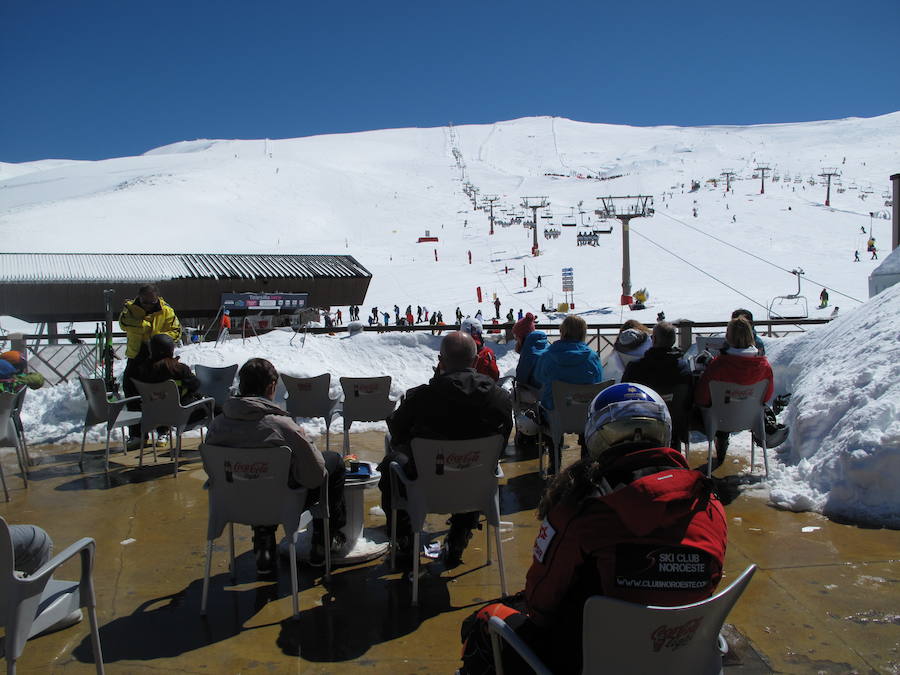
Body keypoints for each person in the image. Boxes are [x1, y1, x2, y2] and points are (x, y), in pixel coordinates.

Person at [459, 383, 727, 674]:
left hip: (594, 659)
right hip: (680, 652)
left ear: (596, 438)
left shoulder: (581, 512)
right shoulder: (709, 505)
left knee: (481, 624)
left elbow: (540, 606)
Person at [378, 331, 512, 568]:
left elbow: (397, 432)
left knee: (392, 463)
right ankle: (460, 535)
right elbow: (501, 442)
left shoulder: (421, 398)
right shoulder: (500, 398)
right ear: (475, 360)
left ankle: (405, 540)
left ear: (441, 361)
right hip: (475, 486)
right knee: (475, 464)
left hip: (427, 488)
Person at [206, 358, 347, 574]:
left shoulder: (217, 426)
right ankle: (324, 539)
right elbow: (315, 475)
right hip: (281, 503)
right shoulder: (282, 426)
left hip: (234, 502)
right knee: (332, 461)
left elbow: (213, 471)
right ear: (271, 387)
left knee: (256, 482)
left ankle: (264, 544)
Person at [695, 317, 775, 470]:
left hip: (718, 420)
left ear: (728, 337)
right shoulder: (764, 366)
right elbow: (766, 397)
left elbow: (701, 398)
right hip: (750, 419)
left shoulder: (717, 366)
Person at [119, 284, 182, 449]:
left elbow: (176, 331)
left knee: (160, 395)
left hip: (158, 359)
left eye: (151, 302)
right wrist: (147, 325)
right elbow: (125, 324)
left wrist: (159, 340)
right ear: (139, 297)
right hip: (136, 357)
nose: (148, 305)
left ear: (157, 298)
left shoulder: (166, 311)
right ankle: (137, 434)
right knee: (132, 394)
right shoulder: (130, 309)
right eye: (145, 301)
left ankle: (163, 431)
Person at [622, 322, 693, 449]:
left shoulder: (635, 368)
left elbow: (624, 398)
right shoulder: (684, 368)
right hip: (674, 424)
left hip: (643, 425)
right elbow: (689, 399)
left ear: (653, 339)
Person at [533, 315, 603, 412]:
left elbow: (539, 378)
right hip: (586, 416)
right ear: (583, 333)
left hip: (555, 416)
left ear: (562, 331)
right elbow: (598, 381)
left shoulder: (548, 355)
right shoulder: (593, 357)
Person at [136, 334, 208, 418]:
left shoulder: (143, 370)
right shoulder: (179, 369)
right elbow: (196, 384)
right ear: (171, 349)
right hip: (181, 415)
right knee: (212, 407)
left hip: (154, 416)